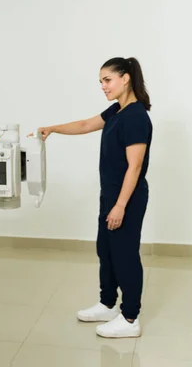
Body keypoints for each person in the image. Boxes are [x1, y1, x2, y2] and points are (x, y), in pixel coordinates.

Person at [31, 57, 152, 338]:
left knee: (125, 255)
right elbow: (86, 124)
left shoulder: (135, 116)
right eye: (100, 82)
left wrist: (121, 206)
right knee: (106, 251)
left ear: (125, 78)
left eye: (107, 80)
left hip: (127, 198)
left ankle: (130, 317)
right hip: (110, 195)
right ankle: (108, 303)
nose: (103, 86)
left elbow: (134, 166)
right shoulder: (117, 111)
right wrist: (52, 128)